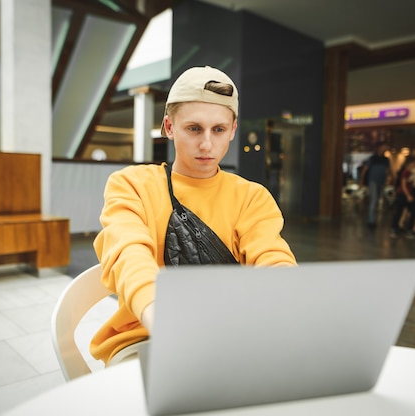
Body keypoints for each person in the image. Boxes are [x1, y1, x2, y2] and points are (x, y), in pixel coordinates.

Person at [90, 66, 297, 366]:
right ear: (170, 127)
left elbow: (272, 256)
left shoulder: (252, 196)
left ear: (233, 130)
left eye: (219, 130)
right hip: (145, 337)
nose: (207, 145)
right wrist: (158, 314)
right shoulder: (132, 184)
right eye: (194, 128)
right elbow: (128, 253)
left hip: (231, 336)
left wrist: (289, 300)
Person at [359, 142, 392, 227]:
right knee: (374, 200)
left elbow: (388, 170)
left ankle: (373, 219)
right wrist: (361, 180)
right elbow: (365, 170)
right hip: (373, 181)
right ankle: (371, 221)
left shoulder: (386, 160)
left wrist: (389, 178)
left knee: (377, 200)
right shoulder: (372, 158)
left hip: (381, 181)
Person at [390, 156, 415, 239]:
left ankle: (408, 229)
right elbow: (403, 184)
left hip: (407, 194)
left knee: (412, 212)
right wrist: (408, 195)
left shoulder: (411, 173)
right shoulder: (405, 172)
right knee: (399, 211)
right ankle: (395, 228)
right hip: (403, 195)